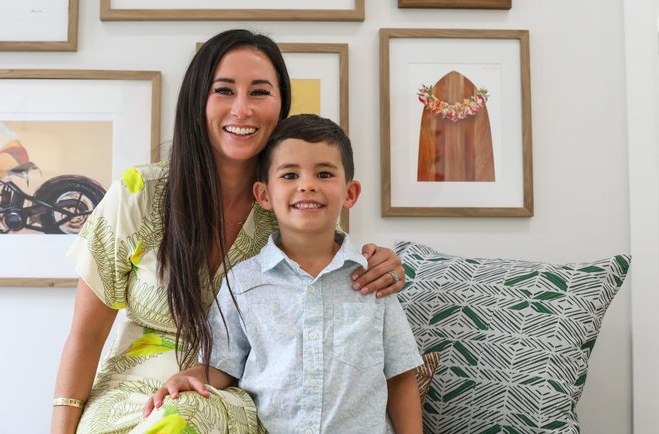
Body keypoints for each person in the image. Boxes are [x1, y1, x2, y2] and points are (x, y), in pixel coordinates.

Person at [50, 29, 406, 434]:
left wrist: (382, 263)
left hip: (230, 397)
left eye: (259, 92)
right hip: (127, 398)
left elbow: (337, 279)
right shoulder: (139, 194)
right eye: (224, 90)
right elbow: (84, 337)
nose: (242, 109)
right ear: (197, 101)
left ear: (280, 105)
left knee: (183, 418)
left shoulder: (291, 205)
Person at [144, 114, 424, 433]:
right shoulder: (243, 283)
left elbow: (400, 375)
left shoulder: (372, 280)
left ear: (350, 193)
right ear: (263, 195)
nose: (307, 185)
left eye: (324, 173)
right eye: (290, 175)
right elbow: (223, 366)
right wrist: (191, 375)